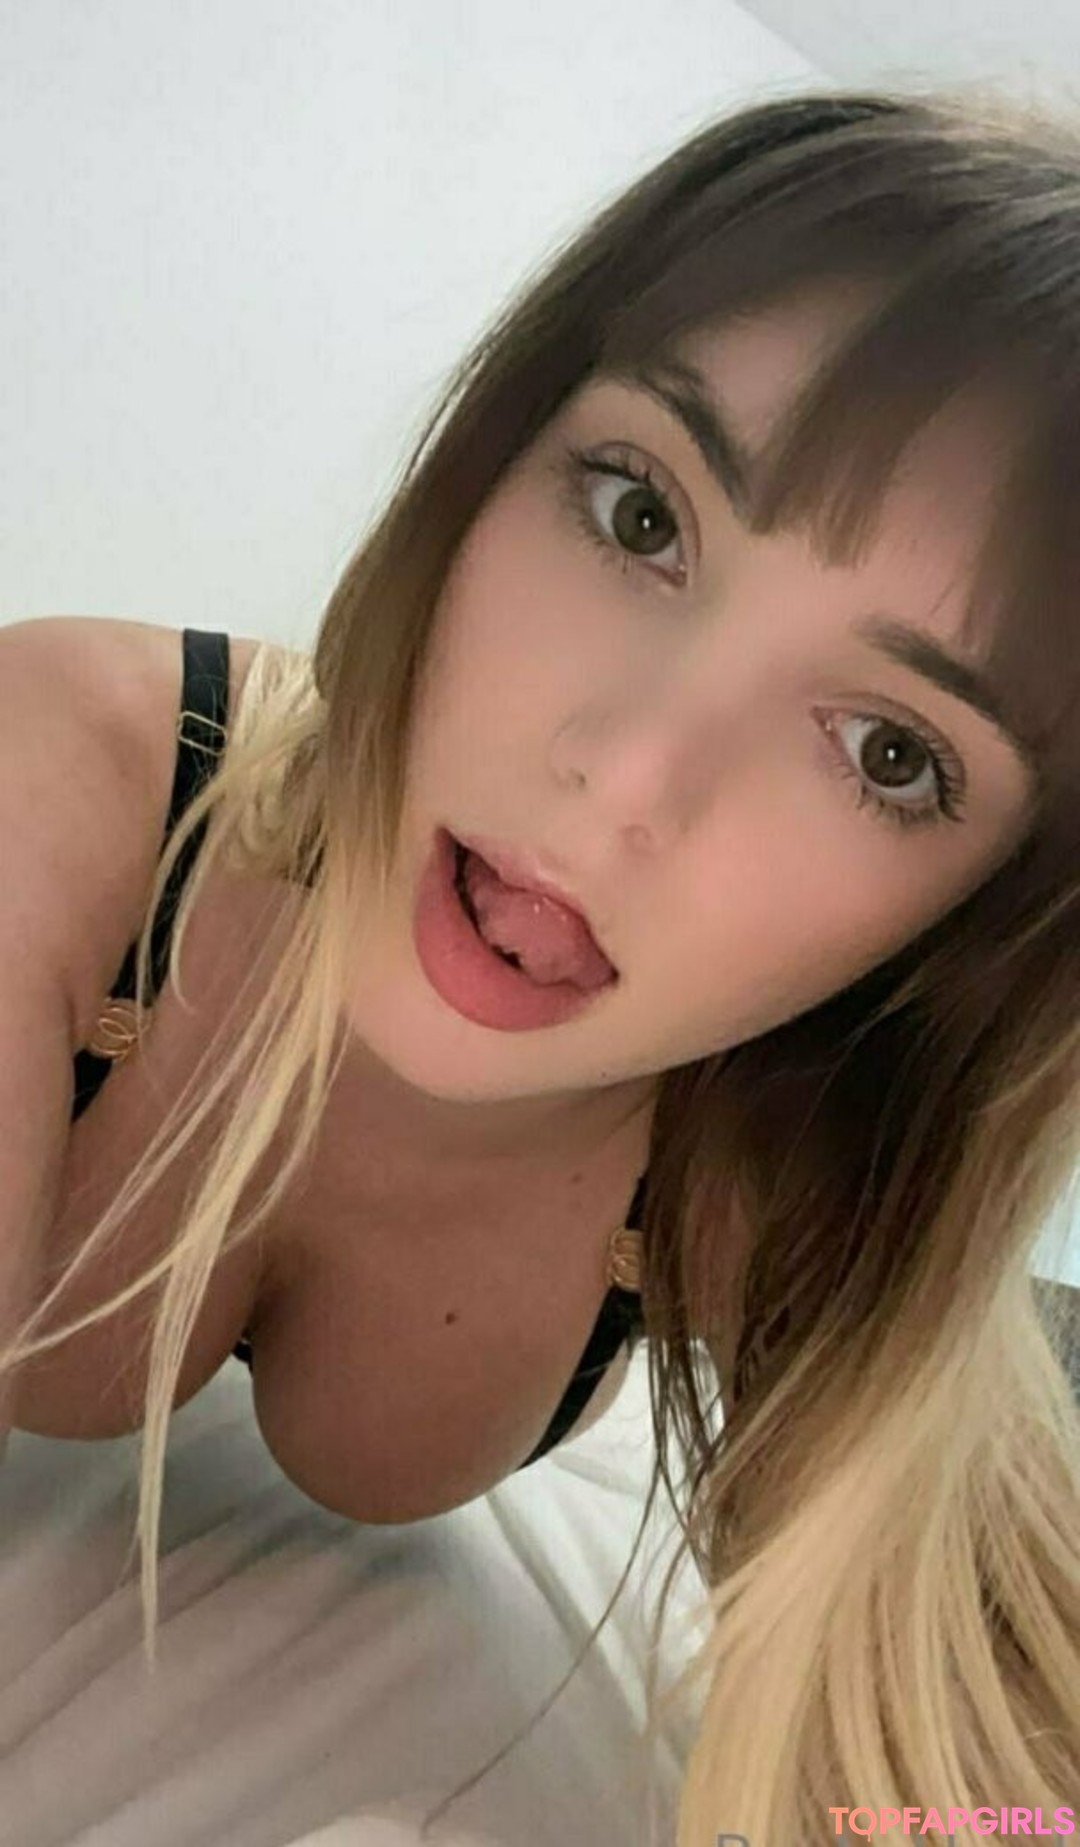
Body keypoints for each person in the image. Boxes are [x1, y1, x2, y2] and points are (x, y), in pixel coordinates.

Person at [1, 80, 1079, 1846]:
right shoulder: (65, 792)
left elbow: (984, 1788)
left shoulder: (763, 1182)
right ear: (496, 453)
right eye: (642, 517)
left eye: (890, 753)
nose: (628, 777)